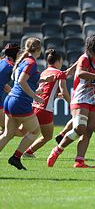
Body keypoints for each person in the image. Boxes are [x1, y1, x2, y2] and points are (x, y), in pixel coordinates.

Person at [47, 35, 95, 168]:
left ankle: (79, 161)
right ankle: (57, 150)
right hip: (81, 98)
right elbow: (80, 73)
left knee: (88, 131)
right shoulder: (84, 58)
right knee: (80, 128)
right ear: (94, 46)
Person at [0, 37, 54, 170]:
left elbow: (17, 79)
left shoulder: (22, 60)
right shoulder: (31, 63)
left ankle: (16, 158)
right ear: (38, 49)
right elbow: (22, 81)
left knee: (8, 133)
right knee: (35, 131)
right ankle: (16, 157)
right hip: (20, 102)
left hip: (10, 99)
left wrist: (42, 80)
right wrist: (35, 96)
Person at [22, 49, 70, 158]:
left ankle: (24, 150)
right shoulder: (60, 73)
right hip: (44, 108)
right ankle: (27, 152)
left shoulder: (44, 71)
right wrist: (71, 104)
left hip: (34, 105)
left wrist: (56, 96)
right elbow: (64, 91)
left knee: (22, 131)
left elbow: (46, 90)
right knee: (47, 136)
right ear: (58, 61)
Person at [0, 43, 20, 133]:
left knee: (5, 130)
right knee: (8, 130)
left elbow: (4, 85)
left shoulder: (2, 62)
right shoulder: (10, 68)